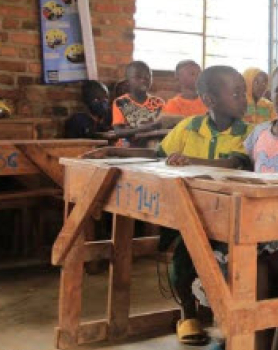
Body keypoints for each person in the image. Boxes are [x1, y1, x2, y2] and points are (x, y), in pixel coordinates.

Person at [83, 65, 253, 346]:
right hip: (193, 216)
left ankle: (228, 324)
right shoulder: (189, 127)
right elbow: (157, 154)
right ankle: (188, 316)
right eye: (235, 93)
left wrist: (190, 161)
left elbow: (233, 163)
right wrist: (114, 151)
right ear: (209, 100)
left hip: (230, 219)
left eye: (242, 92)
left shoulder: (249, 133)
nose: (243, 99)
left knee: (229, 271)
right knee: (181, 265)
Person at [111, 61, 165, 147]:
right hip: (128, 148)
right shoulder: (120, 102)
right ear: (127, 81)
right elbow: (119, 131)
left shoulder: (158, 102)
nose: (143, 80)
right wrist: (144, 128)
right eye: (138, 77)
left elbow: (163, 126)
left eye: (147, 77)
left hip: (154, 146)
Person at [161, 60, 207, 127]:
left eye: (200, 73)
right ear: (178, 77)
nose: (198, 77)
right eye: (192, 74)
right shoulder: (173, 105)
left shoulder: (207, 101)